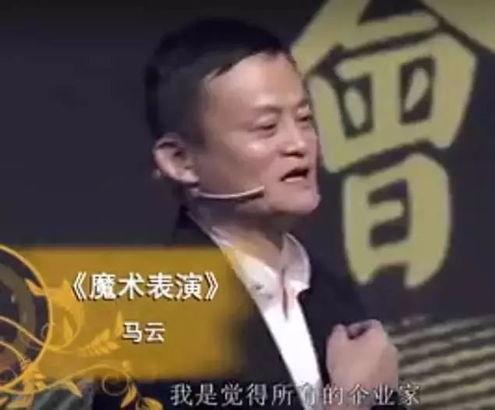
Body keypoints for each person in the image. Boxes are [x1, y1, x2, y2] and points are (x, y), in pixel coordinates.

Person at [94, 17, 399, 410]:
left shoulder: (332, 294)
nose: (299, 143)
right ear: (180, 160)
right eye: (267, 127)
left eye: (304, 119)